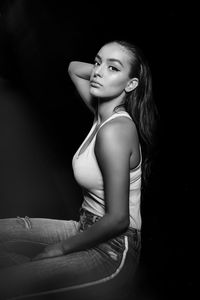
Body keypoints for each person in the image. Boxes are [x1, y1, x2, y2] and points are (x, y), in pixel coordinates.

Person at [0, 40, 157, 299]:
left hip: (112, 251)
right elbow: (74, 68)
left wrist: (60, 249)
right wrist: (108, 69)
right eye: (97, 62)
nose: (97, 71)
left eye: (113, 68)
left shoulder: (115, 131)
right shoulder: (102, 114)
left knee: (7, 284)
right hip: (85, 227)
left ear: (131, 84)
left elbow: (118, 219)